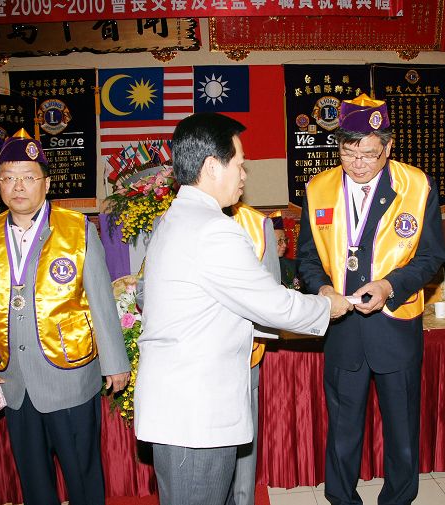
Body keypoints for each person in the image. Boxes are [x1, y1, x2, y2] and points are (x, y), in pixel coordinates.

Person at [133, 112, 349, 505]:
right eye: (240, 164)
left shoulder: (173, 219)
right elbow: (271, 303)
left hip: (179, 408)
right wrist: (328, 306)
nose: (244, 175)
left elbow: (215, 307)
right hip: (196, 416)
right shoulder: (213, 230)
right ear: (212, 167)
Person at [0, 128, 131, 505]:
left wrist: (115, 362)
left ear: (47, 183)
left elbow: (101, 300)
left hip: (69, 374)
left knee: (82, 476)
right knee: (34, 481)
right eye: (8, 178)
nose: (18, 186)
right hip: (13, 381)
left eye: (28, 177)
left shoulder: (76, 230)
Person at [297, 94, 445, 505]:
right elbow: (307, 257)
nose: (357, 163)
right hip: (342, 327)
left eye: (368, 154)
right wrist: (322, 290)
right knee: (342, 428)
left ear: (389, 146)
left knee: (402, 429)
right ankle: (341, 498)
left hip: (395, 326)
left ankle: (398, 499)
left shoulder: (417, 186)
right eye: (348, 153)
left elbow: (431, 255)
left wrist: (389, 286)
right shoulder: (319, 188)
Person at [229, 201, 280, 505]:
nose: (243, 178)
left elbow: (273, 298)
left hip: (244, 358)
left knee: (243, 448)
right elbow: (146, 291)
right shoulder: (170, 219)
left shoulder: (257, 225)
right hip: (192, 363)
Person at [272, 215, 299, 289]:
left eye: (285, 240)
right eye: (280, 241)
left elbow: (297, 288)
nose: (285, 245)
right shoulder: (257, 267)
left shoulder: (291, 265)